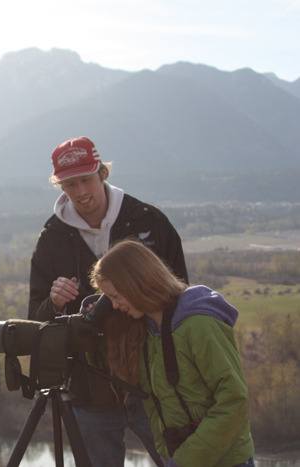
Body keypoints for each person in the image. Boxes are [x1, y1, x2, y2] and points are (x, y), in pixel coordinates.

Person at [28, 136, 188, 467]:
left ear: (102, 173)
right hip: (89, 388)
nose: (81, 191)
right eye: (70, 184)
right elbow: (37, 321)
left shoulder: (148, 223)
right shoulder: (52, 240)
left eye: (86, 179)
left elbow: (181, 298)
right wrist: (54, 304)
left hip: (154, 382)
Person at [90, 240, 255, 467]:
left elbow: (234, 401)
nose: (115, 306)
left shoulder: (199, 324)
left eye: (116, 296)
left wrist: (185, 461)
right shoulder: (146, 330)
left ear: (136, 284)